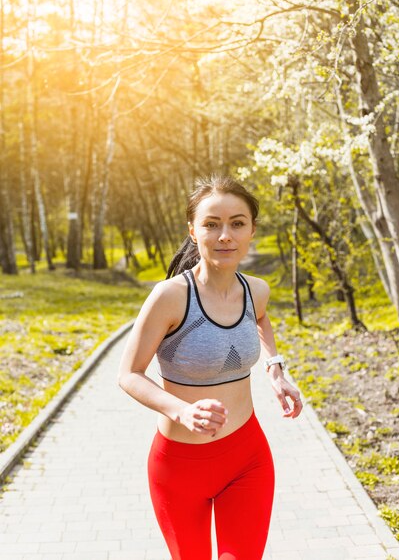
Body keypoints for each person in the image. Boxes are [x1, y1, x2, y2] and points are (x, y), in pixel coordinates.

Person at [117, 175, 303, 560]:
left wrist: (275, 370)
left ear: (251, 230)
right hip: (179, 469)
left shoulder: (256, 289)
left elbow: (261, 320)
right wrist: (181, 410)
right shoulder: (169, 297)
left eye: (237, 223)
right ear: (193, 230)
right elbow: (129, 374)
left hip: (248, 459)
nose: (225, 236)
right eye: (211, 224)